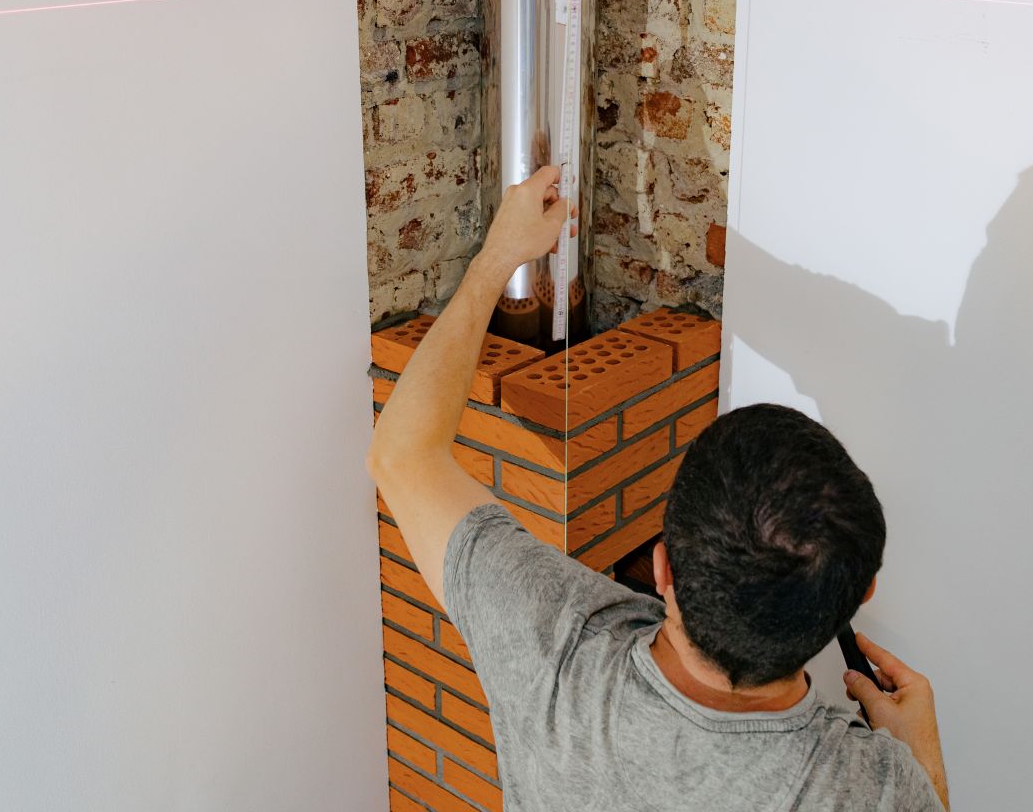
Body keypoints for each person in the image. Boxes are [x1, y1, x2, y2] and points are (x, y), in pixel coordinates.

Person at [366, 165, 949, 812]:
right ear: (857, 597)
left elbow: (402, 454)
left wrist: (498, 256)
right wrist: (921, 762)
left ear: (662, 566)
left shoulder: (555, 649)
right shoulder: (870, 789)